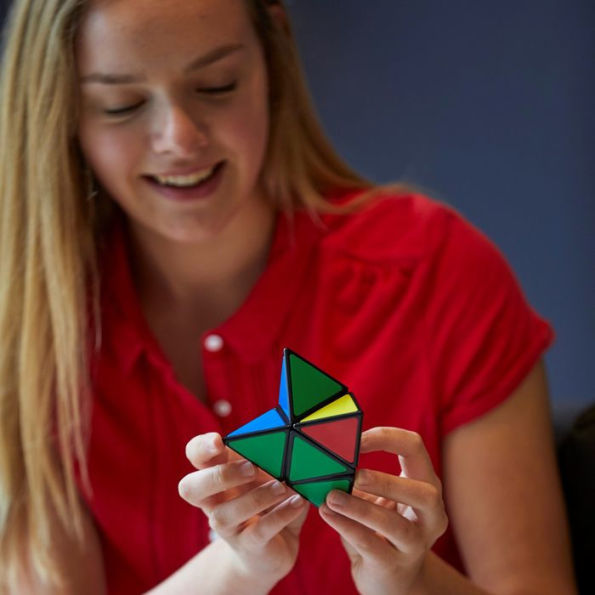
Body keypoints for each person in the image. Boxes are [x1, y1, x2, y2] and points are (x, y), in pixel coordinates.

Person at [0, 0, 577, 593]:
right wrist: (235, 567)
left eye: (217, 84)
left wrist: (407, 578)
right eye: (121, 104)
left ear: (273, 58)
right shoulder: (23, 335)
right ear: (61, 111)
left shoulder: (437, 272)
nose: (180, 137)